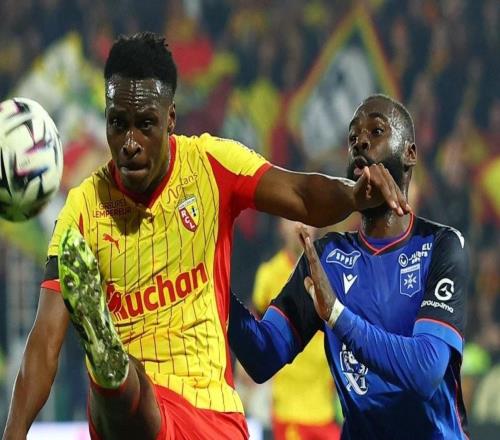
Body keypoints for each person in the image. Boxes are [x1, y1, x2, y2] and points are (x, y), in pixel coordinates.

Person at [2, 33, 409, 440]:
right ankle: (109, 362)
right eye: (117, 124)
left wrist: (353, 195)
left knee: (119, 391)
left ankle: (111, 368)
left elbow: (300, 194)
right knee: (124, 389)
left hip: (208, 416)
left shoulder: (210, 165)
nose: (130, 144)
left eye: (145, 124)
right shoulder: (83, 208)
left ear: (171, 119)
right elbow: (43, 344)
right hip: (141, 420)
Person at [229, 94, 470, 439]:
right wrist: (214, 285)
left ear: (410, 153)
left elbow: (425, 370)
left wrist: (337, 316)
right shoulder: (326, 258)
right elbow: (262, 356)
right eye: (353, 136)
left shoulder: (441, 245)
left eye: (376, 131)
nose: (361, 142)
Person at [251, 219, 340, 439]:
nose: (300, 226)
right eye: (292, 219)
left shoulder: (334, 271)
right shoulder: (268, 275)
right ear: (280, 226)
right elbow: (257, 334)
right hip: (289, 410)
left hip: (326, 407)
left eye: (308, 220)